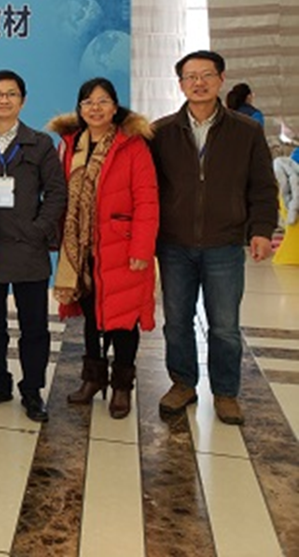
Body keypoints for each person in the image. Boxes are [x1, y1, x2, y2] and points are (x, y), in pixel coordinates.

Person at [152, 51, 278, 425]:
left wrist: (261, 230)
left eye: (206, 75)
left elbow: (263, 186)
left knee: (224, 325)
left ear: (221, 79)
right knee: (177, 321)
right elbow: (149, 190)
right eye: (190, 76)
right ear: (180, 84)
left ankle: (225, 392)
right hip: (174, 244)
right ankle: (182, 383)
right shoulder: (161, 132)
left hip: (224, 243)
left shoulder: (246, 130)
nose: (199, 83)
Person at [48, 78, 159, 419]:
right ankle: (93, 379)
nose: (95, 108)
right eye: (88, 102)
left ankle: (122, 386)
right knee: (92, 319)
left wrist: (142, 248)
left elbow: (147, 199)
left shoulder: (132, 145)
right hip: (82, 251)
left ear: (115, 107)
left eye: (103, 101)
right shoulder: (70, 145)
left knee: (123, 322)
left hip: (121, 249)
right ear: (80, 109)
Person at [0, 70, 67, 423]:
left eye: (11, 94)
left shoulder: (39, 143)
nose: (4, 100)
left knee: (34, 326)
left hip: (29, 248)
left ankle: (32, 390)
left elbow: (56, 192)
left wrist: (39, 229)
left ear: (23, 101)